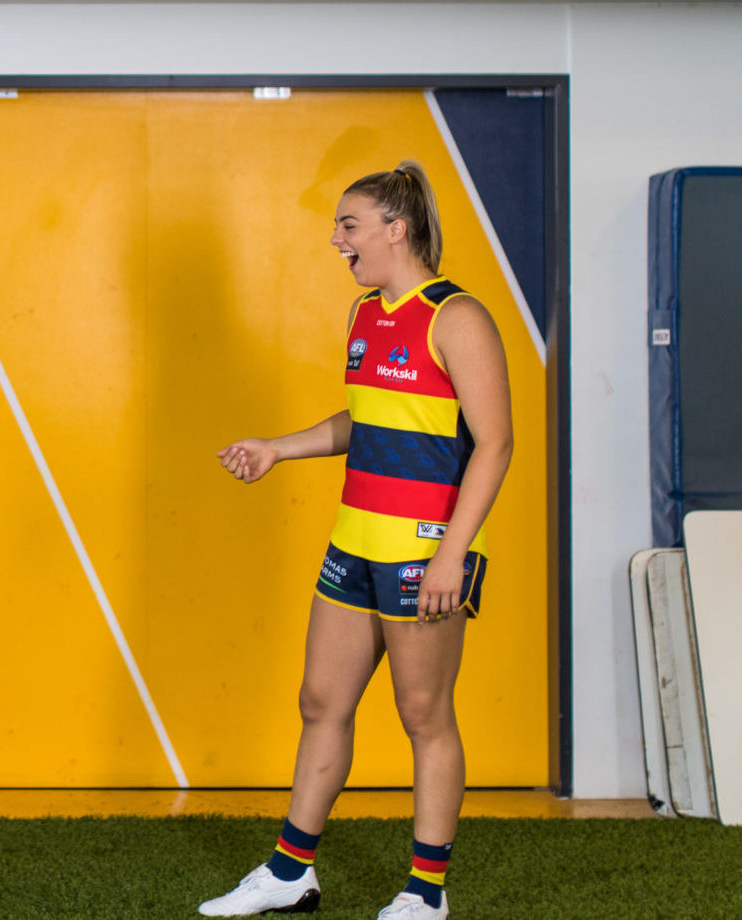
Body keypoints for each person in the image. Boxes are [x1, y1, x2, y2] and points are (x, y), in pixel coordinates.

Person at [200, 161, 513, 920]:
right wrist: (278, 447)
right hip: (353, 543)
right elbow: (361, 422)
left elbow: (495, 444)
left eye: (348, 224)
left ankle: (424, 893)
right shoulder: (364, 314)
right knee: (320, 701)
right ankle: (288, 873)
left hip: (419, 551)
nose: (336, 239)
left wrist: (448, 553)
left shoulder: (456, 317)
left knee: (422, 715)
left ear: (393, 229)